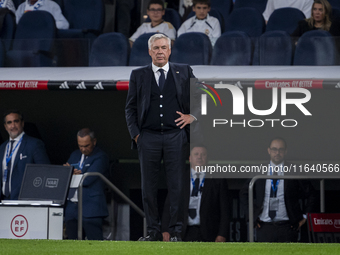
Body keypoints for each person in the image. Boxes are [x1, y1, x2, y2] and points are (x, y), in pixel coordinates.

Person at [125, 33, 196, 241]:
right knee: (148, 188)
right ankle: (153, 232)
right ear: (149, 51)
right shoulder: (138, 75)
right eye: (156, 48)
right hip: (148, 138)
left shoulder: (183, 71)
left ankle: (176, 232)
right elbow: (129, 108)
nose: (160, 51)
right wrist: (136, 135)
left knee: (177, 187)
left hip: (176, 136)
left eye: (163, 47)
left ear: (170, 50)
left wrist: (193, 116)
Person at [239, 137, 317, 242]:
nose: (277, 152)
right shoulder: (258, 169)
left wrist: (304, 218)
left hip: (288, 227)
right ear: (269, 150)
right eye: (274, 149)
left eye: (281, 149)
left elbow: (312, 194)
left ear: (285, 151)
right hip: (263, 227)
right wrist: (251, 216)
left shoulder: (294, 170)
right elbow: (244, 193)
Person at [162, 145, 230, 242]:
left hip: (209, 233)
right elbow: (168, 205)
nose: (199, 157)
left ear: (207, 159)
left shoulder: (218, 180)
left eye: (203, 154)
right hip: (182, 232)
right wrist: (165, 229)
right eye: (196, 154)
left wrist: (222, 234)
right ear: (190, 158)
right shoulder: (179, 179)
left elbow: (225, 210)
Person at [64, 128, 109, 240]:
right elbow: (65, 175)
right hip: (72, 208)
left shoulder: (101, 156)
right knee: (72, 246)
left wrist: (71, 173)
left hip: (91, 207)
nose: (83, 149)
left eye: (86, 145)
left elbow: (88, 179)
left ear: (94, 141)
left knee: (95, 245)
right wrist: (69, 172)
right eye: (80, 146)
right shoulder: (75, 154)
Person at [0, 110, 50, 200]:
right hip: (4, 200)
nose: (13, 126)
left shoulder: (34, 144)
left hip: (25, 201)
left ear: (22, 123)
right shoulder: (2, 147)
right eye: (9, 122)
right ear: (5, 126)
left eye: (16, 121)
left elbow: (45, 172)